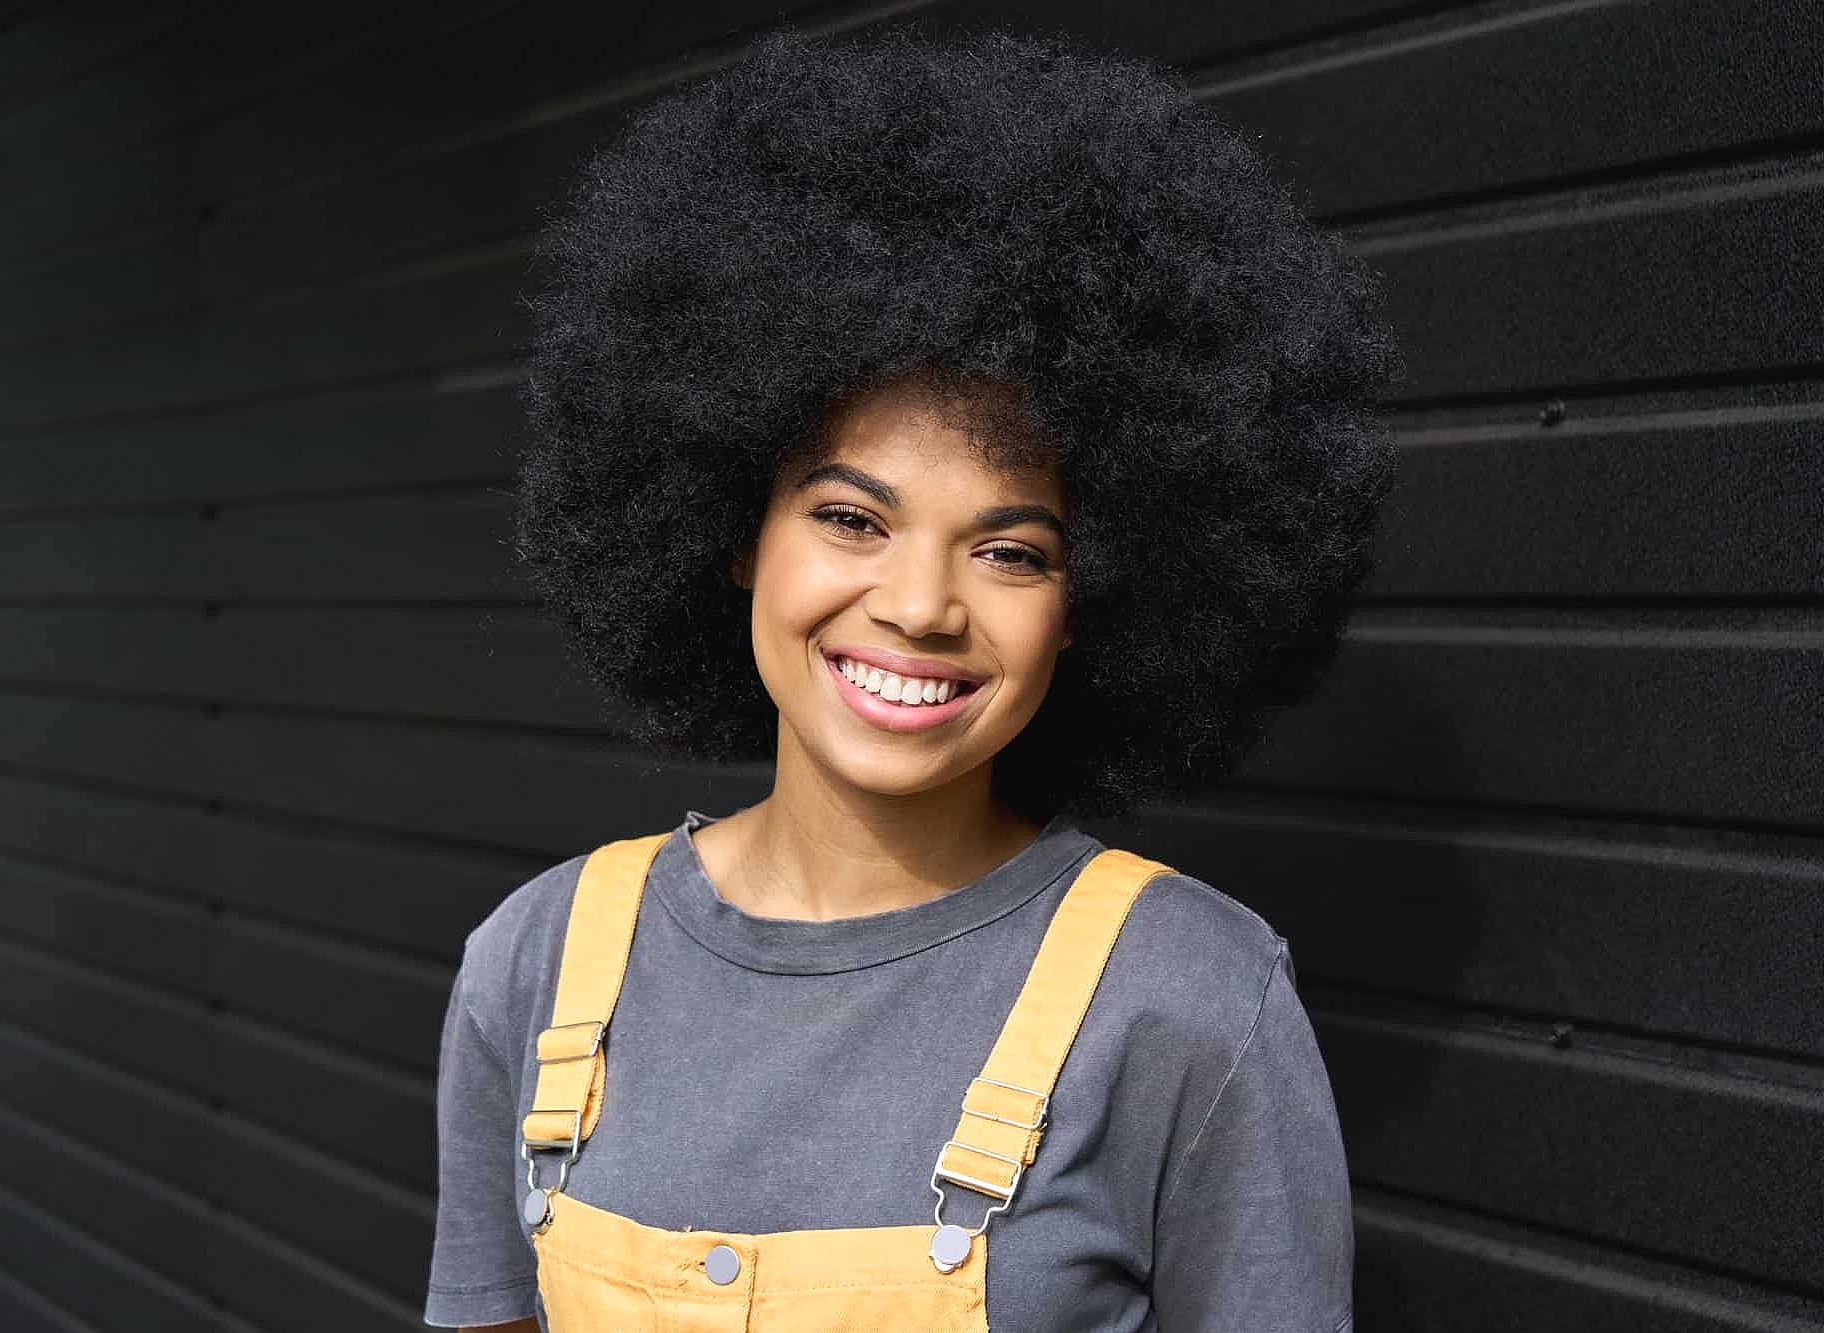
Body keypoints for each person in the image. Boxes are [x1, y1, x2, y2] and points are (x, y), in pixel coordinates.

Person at [423, 21, 1398, 1333]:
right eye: (851, 518)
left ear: (1087, 602)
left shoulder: (1191, 998)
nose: (923, 605)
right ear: (732, 532)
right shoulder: (536, 965)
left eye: (1009, 548)